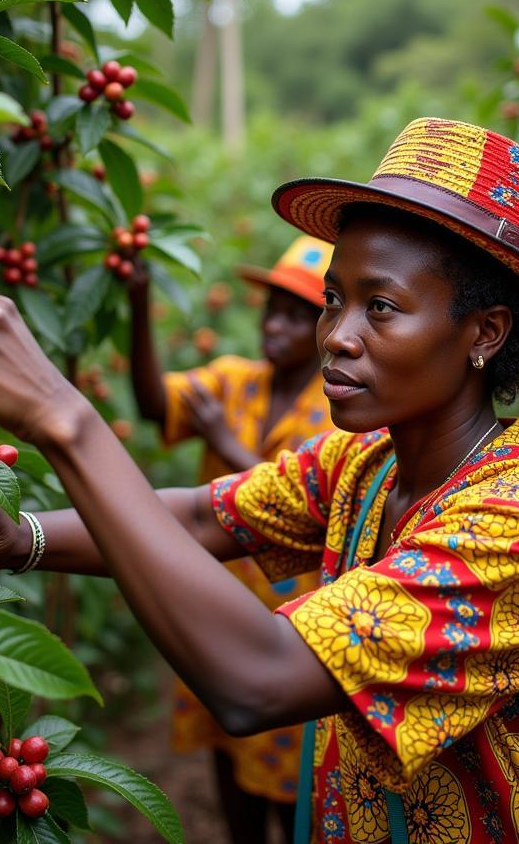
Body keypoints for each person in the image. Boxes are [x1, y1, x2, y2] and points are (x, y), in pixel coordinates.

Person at [0, 117, 519, 843]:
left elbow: (256, 680)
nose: (338, 337)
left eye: (382, 308)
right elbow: (200, 516)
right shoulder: (365, 462)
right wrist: (20, 537)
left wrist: (67, 419)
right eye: (335, 301)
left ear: (485, 333)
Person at [127, 235, 336, 843]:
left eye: (298, 317)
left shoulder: (338, 409)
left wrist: (225, 440)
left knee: (294, 797)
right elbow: (150, 404)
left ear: (328, 328)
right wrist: (139, 303)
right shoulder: (232, 381)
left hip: (291, 634)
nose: (276, 326)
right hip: (212, 610)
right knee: (228, 764)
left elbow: (308, 507)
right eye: (272, 310)